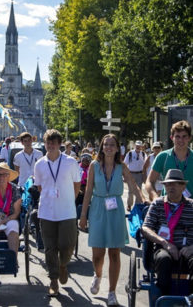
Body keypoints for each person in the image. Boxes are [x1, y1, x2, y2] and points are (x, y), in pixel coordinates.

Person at [79, 134, 145, 306]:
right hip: (98, 208)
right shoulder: (94, 166)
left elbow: (133, 184)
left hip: (115, 210)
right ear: (101, 147)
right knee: (97, 254)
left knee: (114, 253)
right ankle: (98, 275)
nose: (108, 147)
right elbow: (88, 192)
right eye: (105, 144)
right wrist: (83, 215)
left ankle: (112, 292)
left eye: (112, 145)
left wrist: (144, 202)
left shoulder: (121, 166)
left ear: (117, 148)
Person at [34, 129, 81, 296]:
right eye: (48, 142)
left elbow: (77, 185)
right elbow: (40, 187)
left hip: (67, 211)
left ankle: (63, 265)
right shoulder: (39, 164)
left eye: (54, 142)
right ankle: (53, 279)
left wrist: (69, 200)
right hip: (46, 211)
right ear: (45, 144)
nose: (51, 145)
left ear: (60, 144)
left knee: (67, 245)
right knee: (49, 248)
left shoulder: (70, 162)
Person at [142, 169, 193, 297]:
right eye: (168, 184)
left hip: (188, 249)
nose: (171, 187)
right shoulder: (157, 204)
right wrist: (165, 243)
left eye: (175, 183)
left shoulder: (191, 206)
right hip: (163, 248)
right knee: (164, 259)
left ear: (183, 186)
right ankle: (164, 298)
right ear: (164, 186)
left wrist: (192, 248)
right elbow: (146, 228)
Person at [146, 120, 193, 201]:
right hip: (167, 206)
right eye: (177, 136)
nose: (181, 140)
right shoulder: (163, 157)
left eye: (184, 136)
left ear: (189, 138)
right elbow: (150, 181)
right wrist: (155, 198)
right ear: (172, 138)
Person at [124, 140, 146, 211]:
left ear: (141, 147)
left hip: (139, 174)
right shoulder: (130, 153)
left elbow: (145, 165)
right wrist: (125, 175)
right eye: (137, 146)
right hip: (131, 174)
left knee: (139, 190)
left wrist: (144, 175)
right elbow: (125, 164)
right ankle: (129, 205)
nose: (138, 147)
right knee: (130, 190)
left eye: (139, 146)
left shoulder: (143, 154)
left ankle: (137, 206)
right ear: (135, 146)